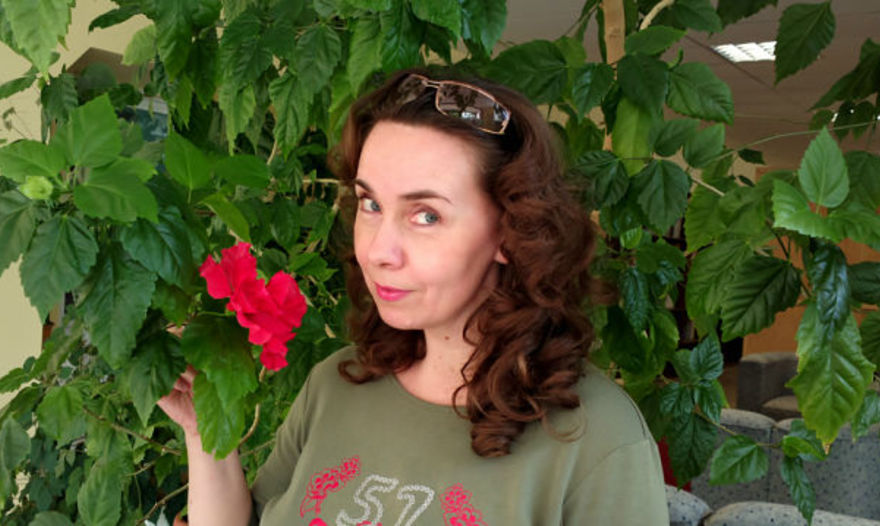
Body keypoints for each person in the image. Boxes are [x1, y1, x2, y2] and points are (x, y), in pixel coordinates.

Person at [159, 68, 669, 525]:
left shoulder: (596, 440)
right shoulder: (336, 384)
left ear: (510, 232)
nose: (378, 250)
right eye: (371, 203)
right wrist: (205, 435)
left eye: (426, 215)